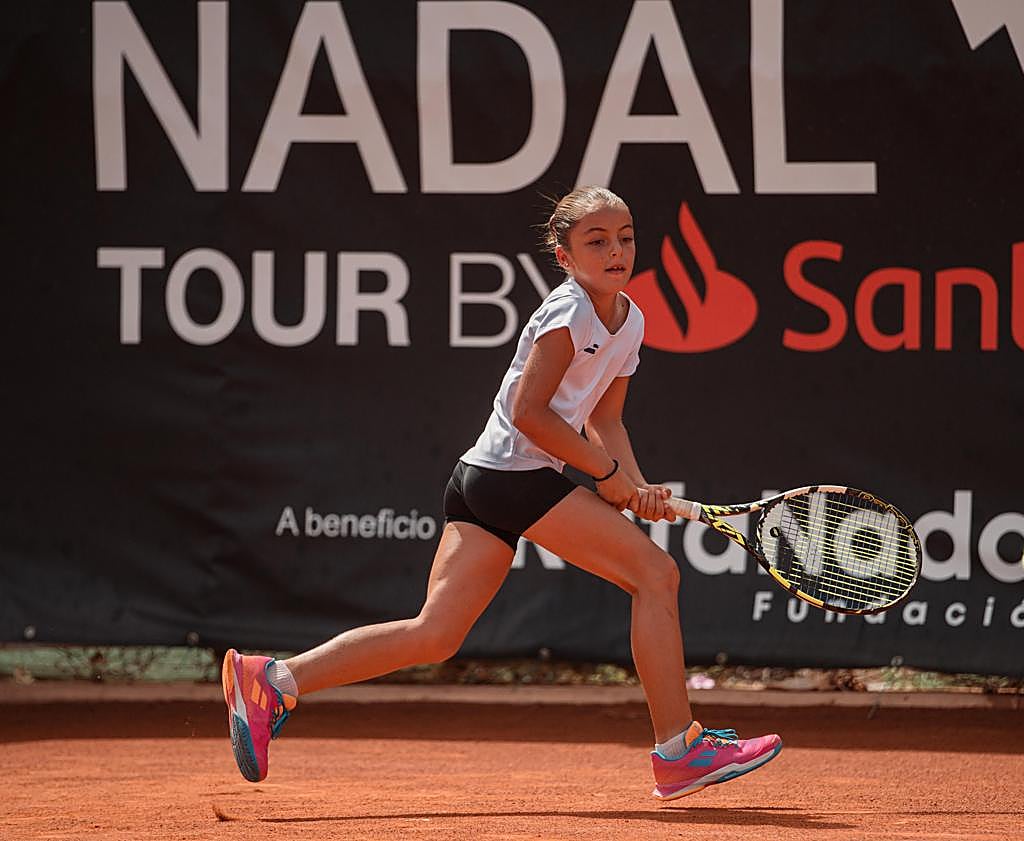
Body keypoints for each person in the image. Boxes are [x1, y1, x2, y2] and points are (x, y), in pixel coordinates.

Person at [221, 186, 781, 801]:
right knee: (656, 574)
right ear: (565, 256)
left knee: (435, 634)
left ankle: (273, 680)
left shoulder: (631, 318)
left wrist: (634, 483)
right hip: (511, 475)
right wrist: (604, 474)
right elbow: (531, 413)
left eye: (624, 236)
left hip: (487, 477)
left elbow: (607, 422)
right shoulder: (569, 314)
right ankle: (679, 750)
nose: (616, 250)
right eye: (596, 241)